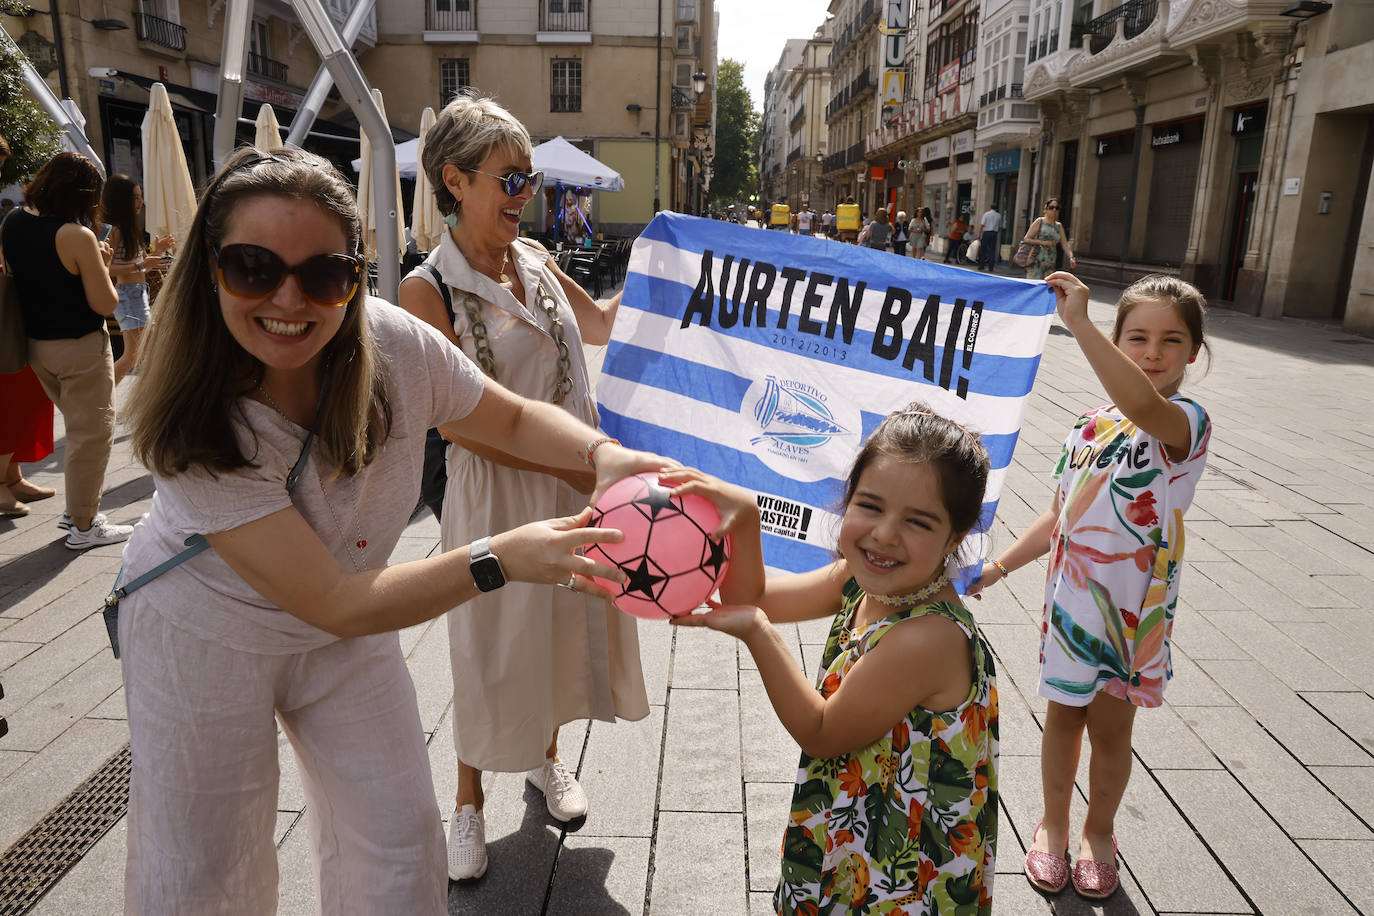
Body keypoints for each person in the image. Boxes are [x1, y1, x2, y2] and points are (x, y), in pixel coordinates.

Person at [116, 145, 669, 913]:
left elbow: (504, 414)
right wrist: (501, 557)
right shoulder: (193, 414)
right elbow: (338, 600)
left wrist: (603, 454)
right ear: (209, 268)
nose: (290, 298)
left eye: (324, 274)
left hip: (347, 622)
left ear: (355, 275)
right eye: (253, 267)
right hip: (206, 627)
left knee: (403, 843)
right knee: (207, 871)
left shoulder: (391, 344)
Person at [399, 93, 650, 883]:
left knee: (555, 631)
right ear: (455, 180)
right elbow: (461, 423)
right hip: (497, 496)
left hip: (573, 483)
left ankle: (545, 761)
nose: (525, 197)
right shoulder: (425, 291)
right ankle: (469, 801)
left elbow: (605, 324)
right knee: (488, 647)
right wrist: (586, 462)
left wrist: (676, 271)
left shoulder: (537, 260)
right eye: (510, 181)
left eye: (528, 181)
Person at [666, 406, 999, 914]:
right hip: (852, 830)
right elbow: (752, 596)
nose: (884, 534)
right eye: (870, 505)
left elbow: (821, 730)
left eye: (918, 521)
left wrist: (759, 633)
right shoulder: (856, 577)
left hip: (901, 874)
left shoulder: (927, 637)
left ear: (955, 537)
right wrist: (746, 519)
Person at [969, 274, 1211, 900]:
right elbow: (1058, 514)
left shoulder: (1185, 422)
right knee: (1062, 720)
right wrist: (996, 570)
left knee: (1110, 731)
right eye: (1137, 337)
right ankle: (1051, 825)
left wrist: (1077, 324)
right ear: (1119, 339)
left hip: (1132, 614)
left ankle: (1098, 833)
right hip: (1072, 605)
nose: (1152, 352)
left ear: (1193, 352)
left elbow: (1144, 408)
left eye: (1170, 340)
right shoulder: (1091, 423)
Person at [0, 152, 128, 549]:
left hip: (36, 347)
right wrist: (105, 267)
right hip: (80, 347)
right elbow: (105, 304)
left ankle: (78, 511)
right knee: (91, 435)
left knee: (79, 430)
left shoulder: (13, 221)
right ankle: (84, 526)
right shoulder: (77, 236)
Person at [102, 175, 174, 383]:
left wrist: (157, 253)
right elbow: (106, 269)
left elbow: (139, 264)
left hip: (137, 293)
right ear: (121, 200)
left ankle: (106, 400)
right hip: (128, 295)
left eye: (140, 196)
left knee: (136, 355)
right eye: (135, 197)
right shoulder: (115, 231)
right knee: (144, 352)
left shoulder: (128, 230)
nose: (141, 202)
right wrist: (142, 265)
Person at [1021, 198, 1077, 280]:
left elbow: (1064, 243)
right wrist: (1042, 242)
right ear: (1046, 209)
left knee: (1047, 286)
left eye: (1057, 208)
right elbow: (1026, 239)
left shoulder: (1059, 226)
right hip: (1036, 260)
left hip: (1050, 262)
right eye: (1051, 207)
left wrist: (1071, 257)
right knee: (1035, 286)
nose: (1054, 210)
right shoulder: (1040, 221)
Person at [977, 202, 1002, 271]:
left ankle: (981, 265)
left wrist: (979, 234)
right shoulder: (999, 216)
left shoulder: (986, 214)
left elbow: (982, 225)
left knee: (983, 250)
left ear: (990, 208)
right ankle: (991, 267)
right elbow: (1000, 227)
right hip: (994, 233)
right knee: (992, 250)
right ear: (996, 208)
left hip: (986, 233)